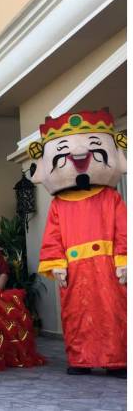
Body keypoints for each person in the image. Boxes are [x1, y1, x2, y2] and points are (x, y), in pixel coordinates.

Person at [29, 109, 127, 377]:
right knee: (77, 313)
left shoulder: (111, 198)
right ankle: (80, 359)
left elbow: (123, 231)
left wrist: (124, 259)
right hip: (75, 271)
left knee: (113, 312)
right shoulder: (59, 204)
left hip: (109, 269)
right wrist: (57, 264)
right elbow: (53, 237)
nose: (80, 153)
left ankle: (117, 360)